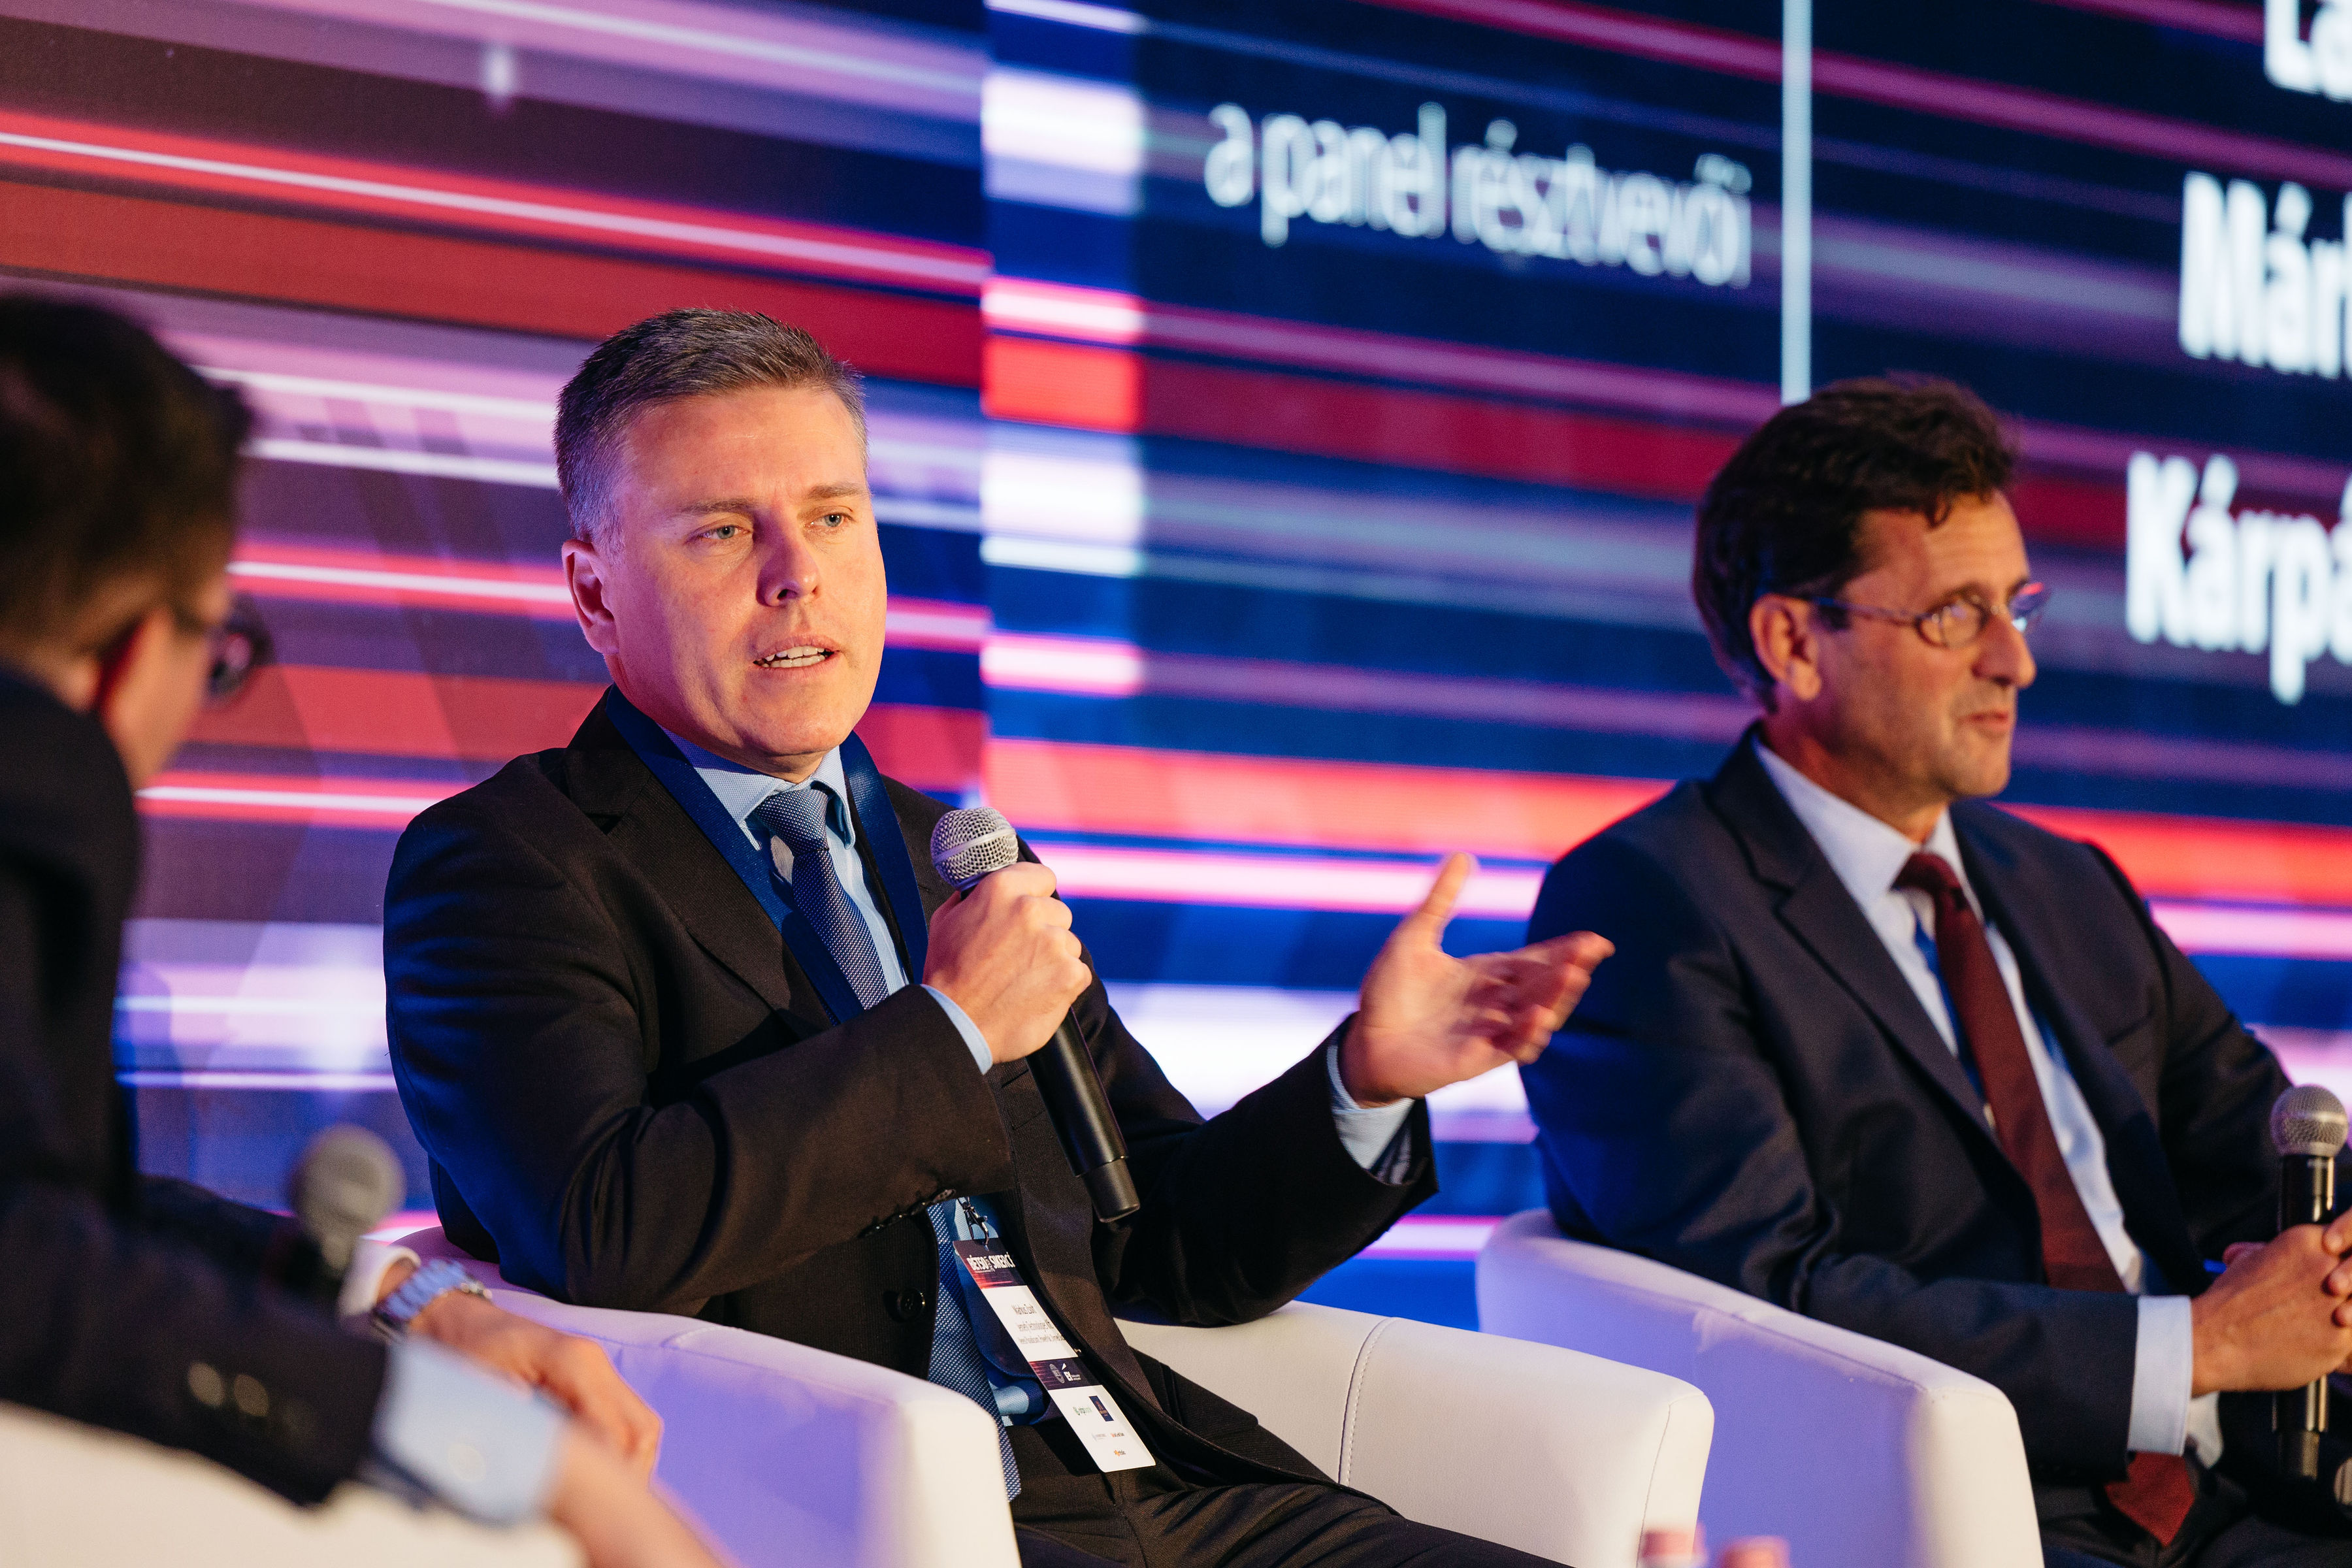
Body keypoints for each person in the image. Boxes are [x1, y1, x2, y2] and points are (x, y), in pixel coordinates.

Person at [383, 307, 1612, 1568]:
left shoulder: (957, 854)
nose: (797, 574)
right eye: (722, 532)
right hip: (865, 1520)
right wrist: (952, 1029)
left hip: (1153, 1486)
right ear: (593, 591)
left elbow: (1161, 1237)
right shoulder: (510, 864)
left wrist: (1364, 1081)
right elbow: (601, 1230)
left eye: (834, 517)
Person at [1523, 375, 2352, 1567]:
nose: (2015, 661)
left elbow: (2261, 1154)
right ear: (1793, 641)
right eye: (1957, 615)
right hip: (1978, 1514)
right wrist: (2200, 1348)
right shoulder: (1649, 907)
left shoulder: (2067, 883)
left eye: (2017, 606)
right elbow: (1771, 1296)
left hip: (2254, 1485)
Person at [0, 295, 719, 1567]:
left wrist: (402, 1296)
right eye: (217, 649)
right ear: (126, 655)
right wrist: (507, 1454)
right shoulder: (37, 781)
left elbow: (53, 1208)